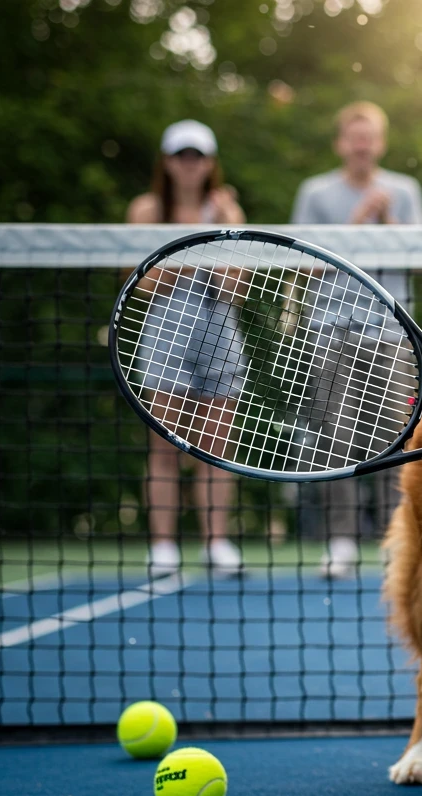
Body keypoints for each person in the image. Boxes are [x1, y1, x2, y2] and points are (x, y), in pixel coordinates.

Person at [289, 101, 422, 578]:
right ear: (341, 143)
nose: (362, 144)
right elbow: (304, 264)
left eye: (370, 136)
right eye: (355, 136)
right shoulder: (316, 192)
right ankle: (341, 541)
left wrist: (386, 220)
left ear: (381, 142)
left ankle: (397, 540)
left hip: (391, 331)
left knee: (398, 434)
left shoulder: (404, 192)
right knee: (335, 437)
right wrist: (358, 218)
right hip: (329, 329)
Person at [127, 119, 246, 578]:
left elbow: (234, 288)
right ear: (168, 162)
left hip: (220, 333)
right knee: (163, 446)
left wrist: (216, 231)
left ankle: (216, 544)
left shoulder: (228, 212)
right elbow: (140, 283)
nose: (190, 164)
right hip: (165, 335)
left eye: (198, 156)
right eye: (182, 156)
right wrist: (196, 239)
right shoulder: (146, 210)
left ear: (210, 163)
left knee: (217, 445)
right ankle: (163, 548)